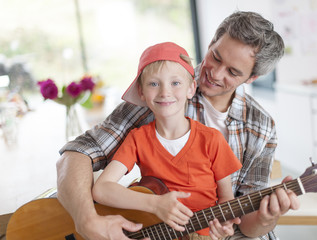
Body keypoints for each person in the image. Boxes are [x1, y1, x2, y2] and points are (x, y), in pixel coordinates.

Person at [57, 11, 299, 240]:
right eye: (215, 56)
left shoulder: (261, 126)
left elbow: (247, 224)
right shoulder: (162, 90)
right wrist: (86, 220)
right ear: (212, 41)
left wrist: (268, 216)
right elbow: (77, 153)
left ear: (251, 78)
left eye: (232, 72)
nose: (215, 73)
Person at [92, 42, 242, 240]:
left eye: (175, 83)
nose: (165, 92)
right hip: (156, 232)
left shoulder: (212, 139)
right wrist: (155, 204)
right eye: (154, 83)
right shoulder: (137, 139)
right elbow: (102, 189)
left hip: (202, 235)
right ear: (142, 92)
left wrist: (224, 224)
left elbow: (226, 198)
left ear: (191, 88)